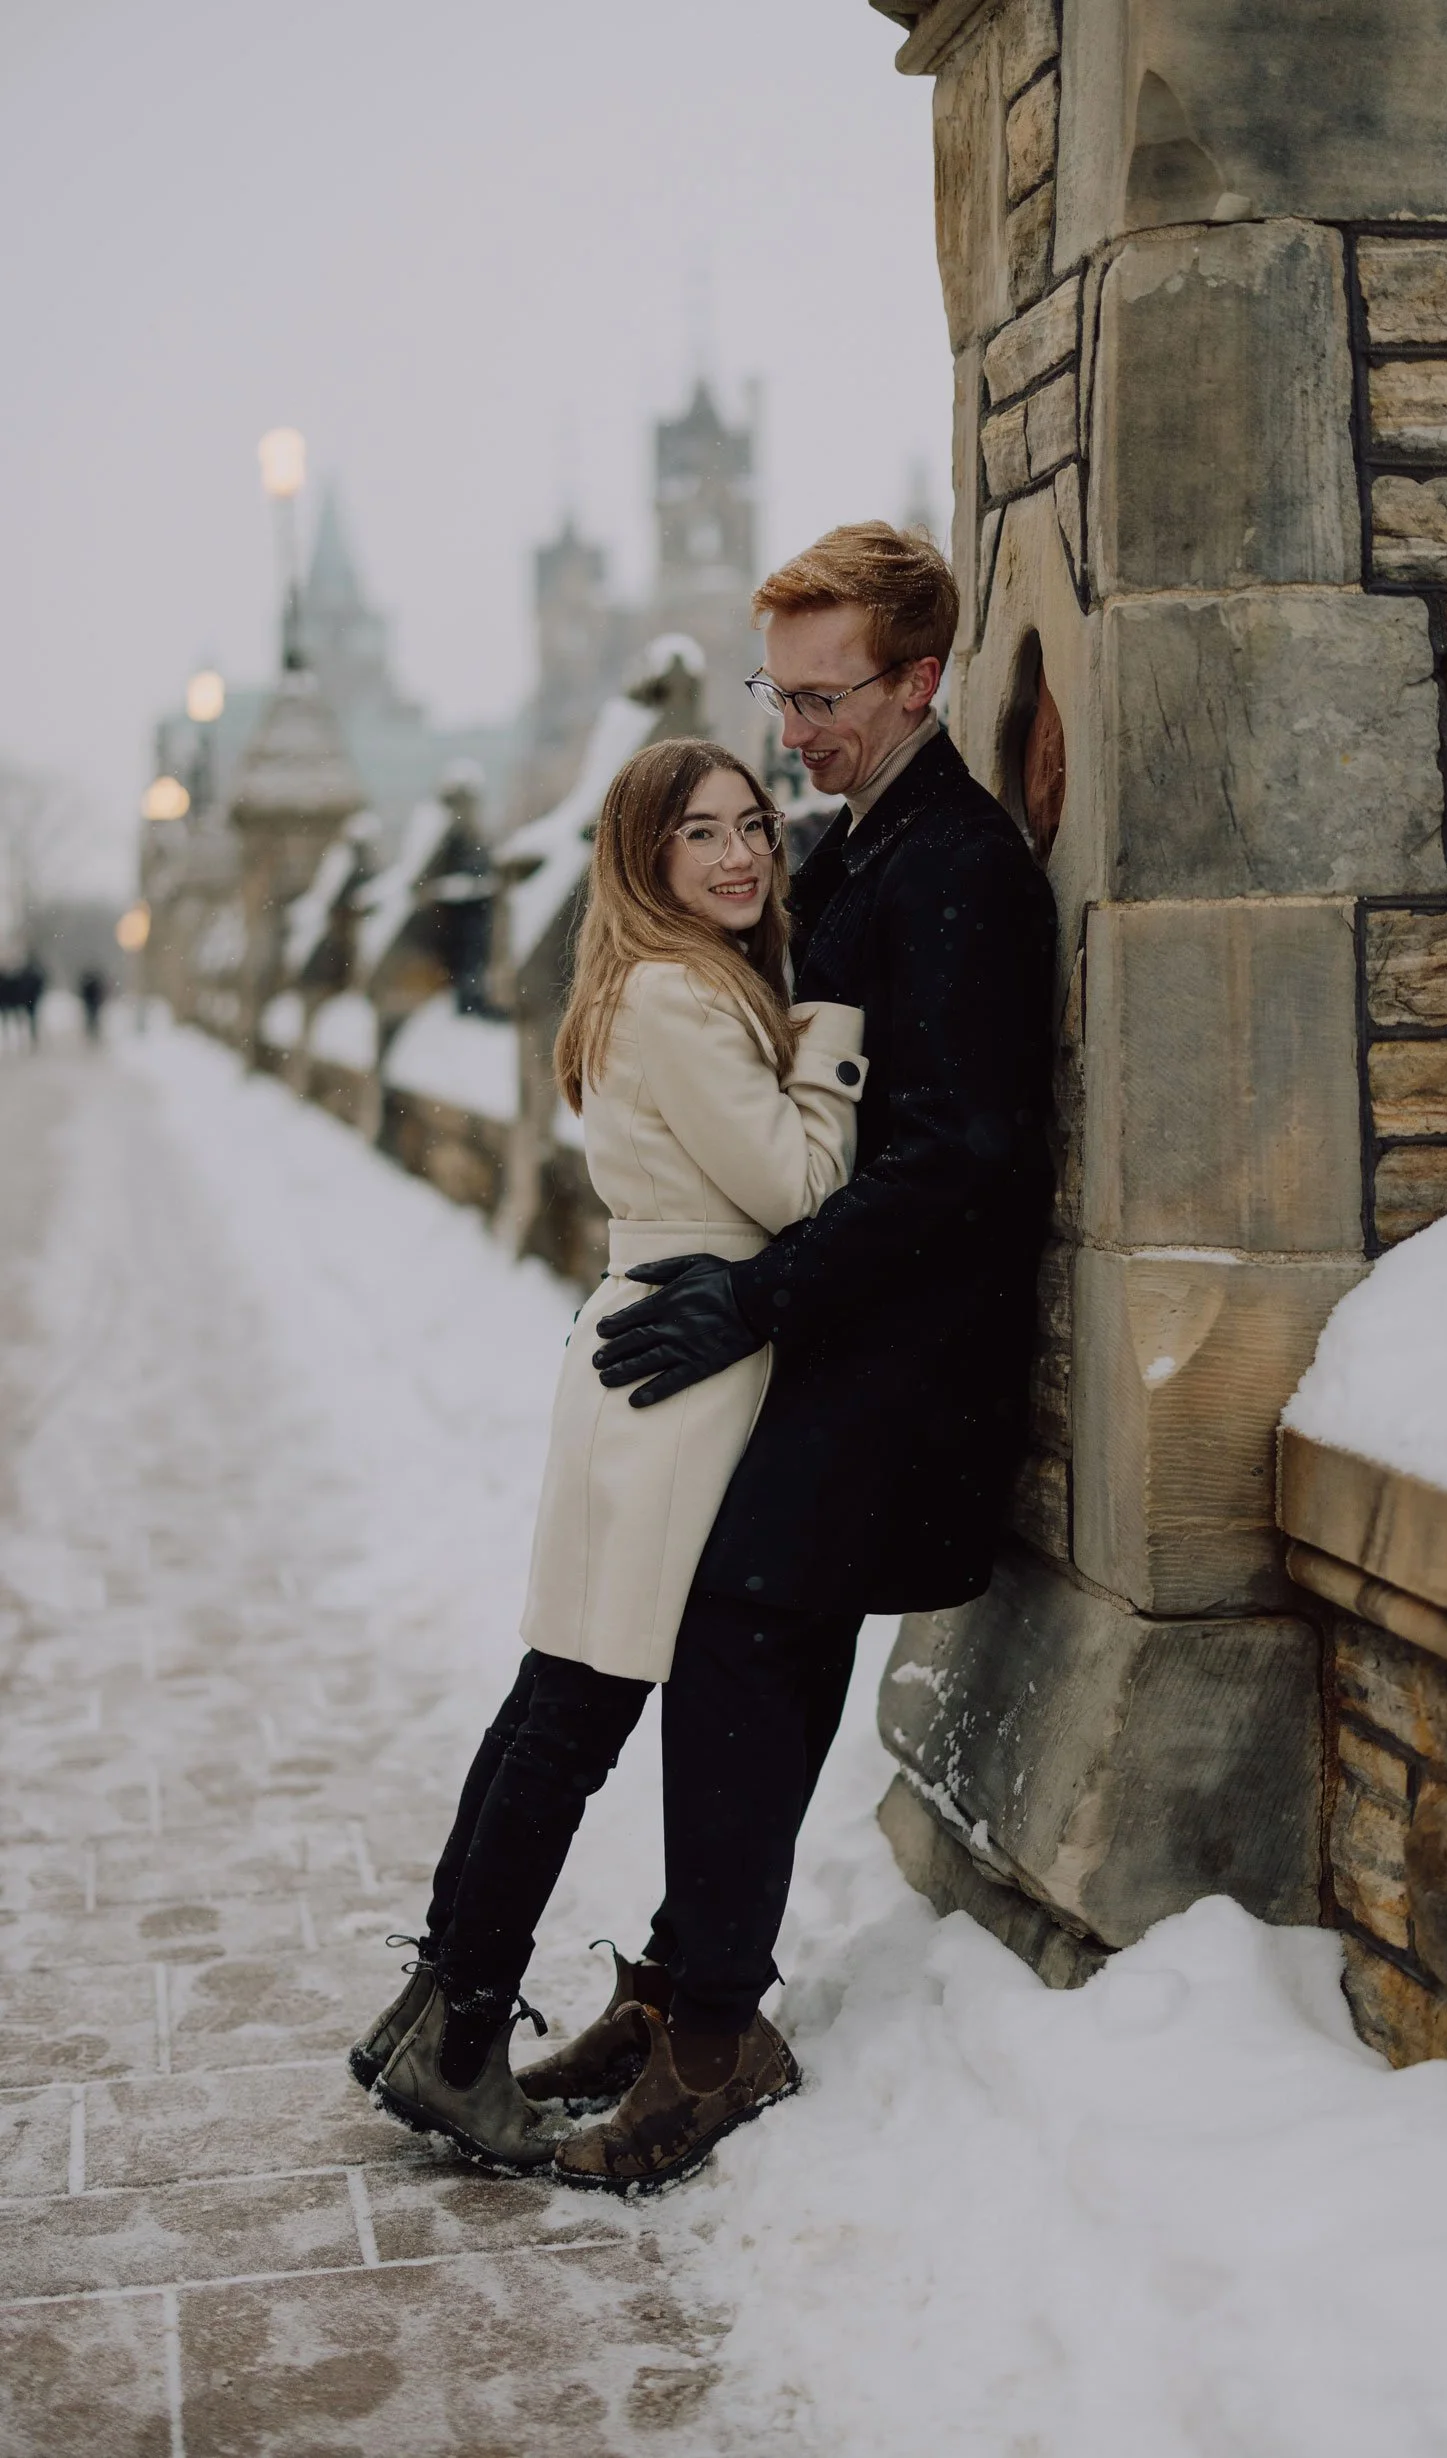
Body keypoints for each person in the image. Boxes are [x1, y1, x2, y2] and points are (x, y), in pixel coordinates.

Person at [520, 524, 1059, 2193]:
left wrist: (755, 1300)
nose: (792, 730)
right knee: (731, 1630)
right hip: (832, 1328)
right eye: (780, 690)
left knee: (747, 1627)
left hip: (905, 1353)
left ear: (919, 680)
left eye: (823, 696)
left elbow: (962, 1152)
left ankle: (712, 2034)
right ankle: (691, 1983)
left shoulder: (956, 864)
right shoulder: (851, 846)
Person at [353, 738, 868, 2174]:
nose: (739, 854)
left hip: (641, 1357)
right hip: (682, 1372)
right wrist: (827, 1028)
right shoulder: (675, 994)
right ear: (641, 859)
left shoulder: (653, 985)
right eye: (697, 833)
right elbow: (800, 1185)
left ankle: (429, 2013)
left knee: (546, 1706)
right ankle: (457, 2048)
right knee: (570, 1720)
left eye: (752, 826)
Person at [79, 969, 107, 1040]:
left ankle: (92, 1030)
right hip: (93, 1003)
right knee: (93, 1017)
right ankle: (93, 1030)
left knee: (91, 1017)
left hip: (91, 1003)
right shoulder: (94, 984)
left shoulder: (87, 984)